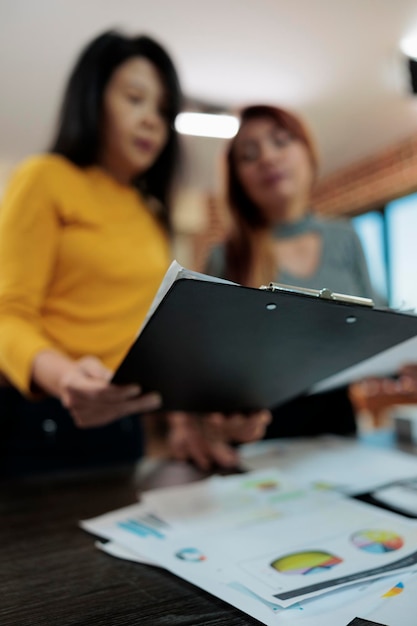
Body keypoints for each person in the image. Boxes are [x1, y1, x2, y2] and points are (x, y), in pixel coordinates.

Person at [0, 32, 270, 476]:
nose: (152, 122)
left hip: (121, 427)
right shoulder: (45, 178)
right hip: (42, 419)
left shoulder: (149, 213)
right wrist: (65, 377)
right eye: (134, 98)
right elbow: (10, 314)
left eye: (163, 112)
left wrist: (186, 415)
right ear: (91, 97)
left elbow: (145, 337)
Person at [205, 104, 377, 440]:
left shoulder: (345, 238)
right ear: (238, 178)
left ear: (307, 152)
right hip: (258, 433)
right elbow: (209, 364)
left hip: (339, 427)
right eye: (249, 155)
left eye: (281, 142)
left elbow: (375, 322)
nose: (267, 158)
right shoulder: (226, 257)